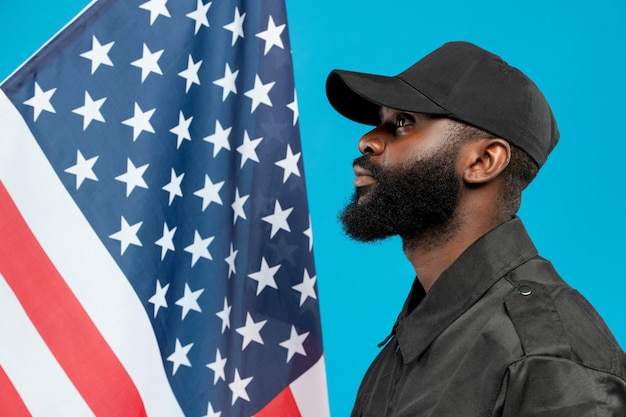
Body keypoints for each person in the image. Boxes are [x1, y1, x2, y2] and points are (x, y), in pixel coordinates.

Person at [325, 41, 626, 416]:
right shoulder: (405, 346)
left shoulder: (544, 355)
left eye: (403, 122)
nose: (367, 140)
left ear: (484, 160)